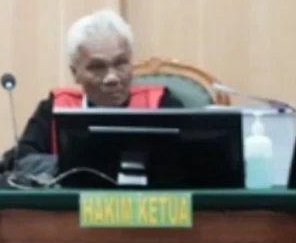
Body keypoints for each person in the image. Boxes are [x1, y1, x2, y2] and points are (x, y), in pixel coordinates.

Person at [11, 9, 183, 160]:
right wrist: (75, 168)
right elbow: (24, 159)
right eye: (97, 67)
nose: (112, 78)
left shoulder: (161, 104)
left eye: (120, 63)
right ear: (75, 73)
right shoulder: (57, 108)